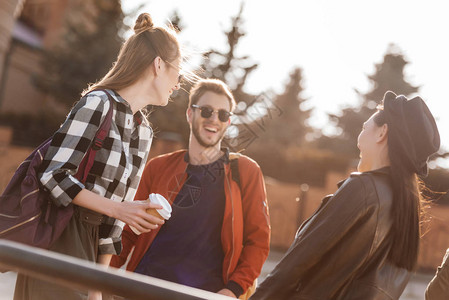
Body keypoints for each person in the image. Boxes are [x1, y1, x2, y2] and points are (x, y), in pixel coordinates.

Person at [14, 13, 185, 300]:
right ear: (158, 65)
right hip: (62, 236)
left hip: (93, 250)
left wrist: (97, 289)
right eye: (177, 71)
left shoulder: (144, 133)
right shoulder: (97, 103)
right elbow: (53, 175)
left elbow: (113, 225)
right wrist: (119, 209)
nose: (179, 83)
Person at [250, 91, 440, 300]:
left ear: (381, 133)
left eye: (364, 128)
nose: (359, 139)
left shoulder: (363, 189)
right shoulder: (407, 210)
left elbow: (299, 261)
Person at [110, 79, 271, 299]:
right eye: (206, 111)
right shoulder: (158, 167)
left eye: (222, 114)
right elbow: (128, 232)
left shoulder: (245, 171)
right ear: (189, 114)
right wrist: (96, 278)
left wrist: (232, 290)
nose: (214, 119)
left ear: (228, 121)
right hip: (144, 289)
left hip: (205, 295)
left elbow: (258, 242)